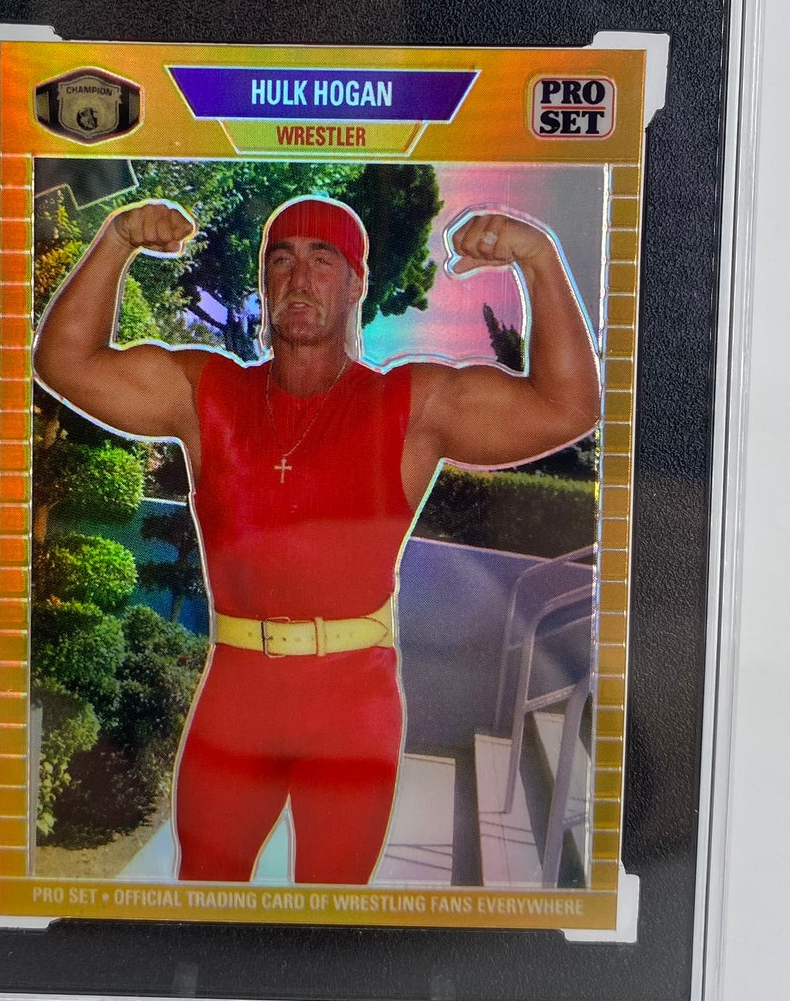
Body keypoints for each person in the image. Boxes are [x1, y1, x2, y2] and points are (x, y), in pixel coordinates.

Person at [33, 193, 600, 885]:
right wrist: (118, 237)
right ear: (264, 283)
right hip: (235, 697)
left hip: (351, 708)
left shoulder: (408, 407)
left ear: (357, 283)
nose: (298, 278)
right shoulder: (203, 393)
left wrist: (538, 257)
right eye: (281, 260)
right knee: (205, 894)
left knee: (333, 909)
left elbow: (567, 405)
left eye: (322, 259)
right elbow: (64, 361)